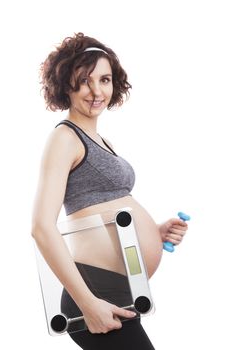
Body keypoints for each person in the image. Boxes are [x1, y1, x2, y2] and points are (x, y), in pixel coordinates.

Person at [31, 32, 188, 350]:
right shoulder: (65, 138)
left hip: (120, 290)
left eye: (104, 79)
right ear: (65, 84)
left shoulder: (99, 140)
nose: (96, 91)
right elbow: (41, 228)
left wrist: (154, 232)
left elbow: (102, 212)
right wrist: (88, 303)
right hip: (95, 293)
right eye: (84, 81)